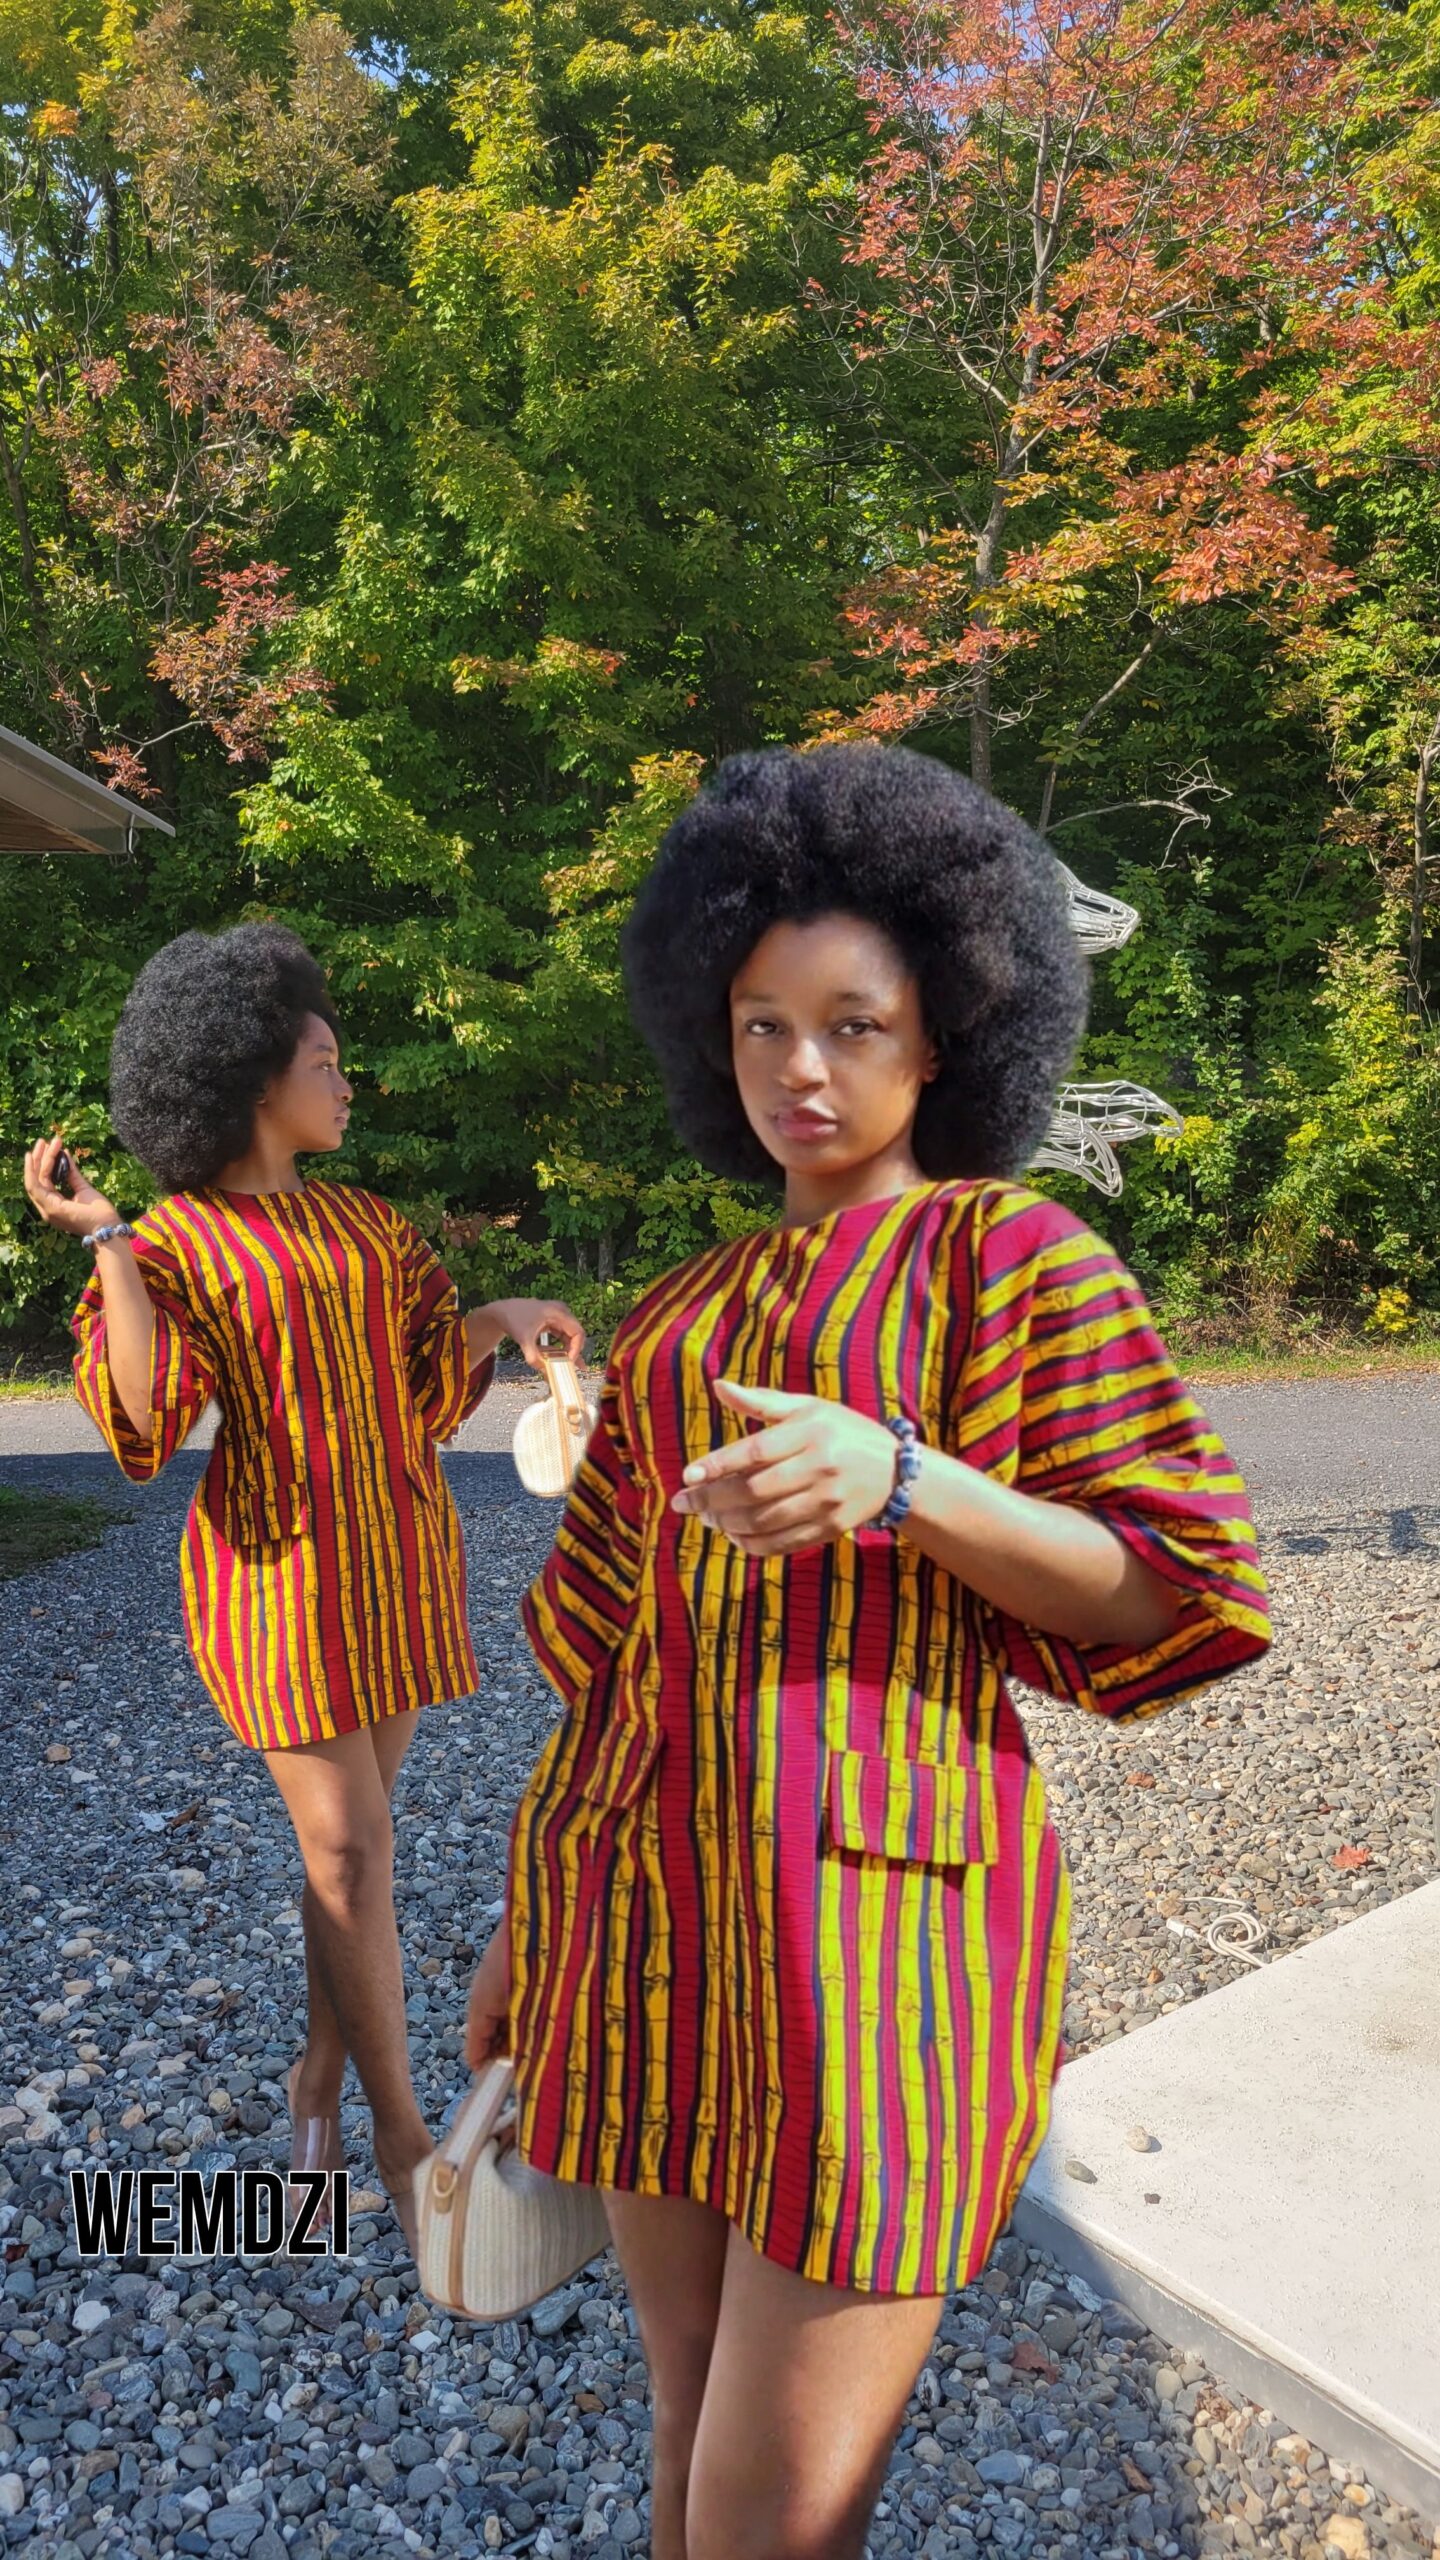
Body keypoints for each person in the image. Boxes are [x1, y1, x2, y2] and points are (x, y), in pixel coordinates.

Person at [465, 744, 1271, 2560]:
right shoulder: (682, 1313)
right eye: (762, 1025)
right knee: (685, 2416)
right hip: (640, 1925)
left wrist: (907, 1480)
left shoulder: (1016, 1260)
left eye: (853, 1025)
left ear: (946, 1038)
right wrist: (528, 1929)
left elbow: (1172, 1586)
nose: (802, 1070)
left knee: (775, 2508)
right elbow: (605, 1659)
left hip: (879, 1955)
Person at [22, 922, 585, 2251]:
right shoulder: (174, 1244)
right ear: (251, 1080)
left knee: (352, 1857)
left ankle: (317, 2076)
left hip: (397, 1562)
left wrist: (505, 1321)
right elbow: (145, 1424)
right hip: (275, 1583)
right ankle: (402, 2137)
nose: (345, 1082)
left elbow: (426, 1381)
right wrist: (108, 1244)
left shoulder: (369, 1224)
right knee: (350, 1852)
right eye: (324, 1062)